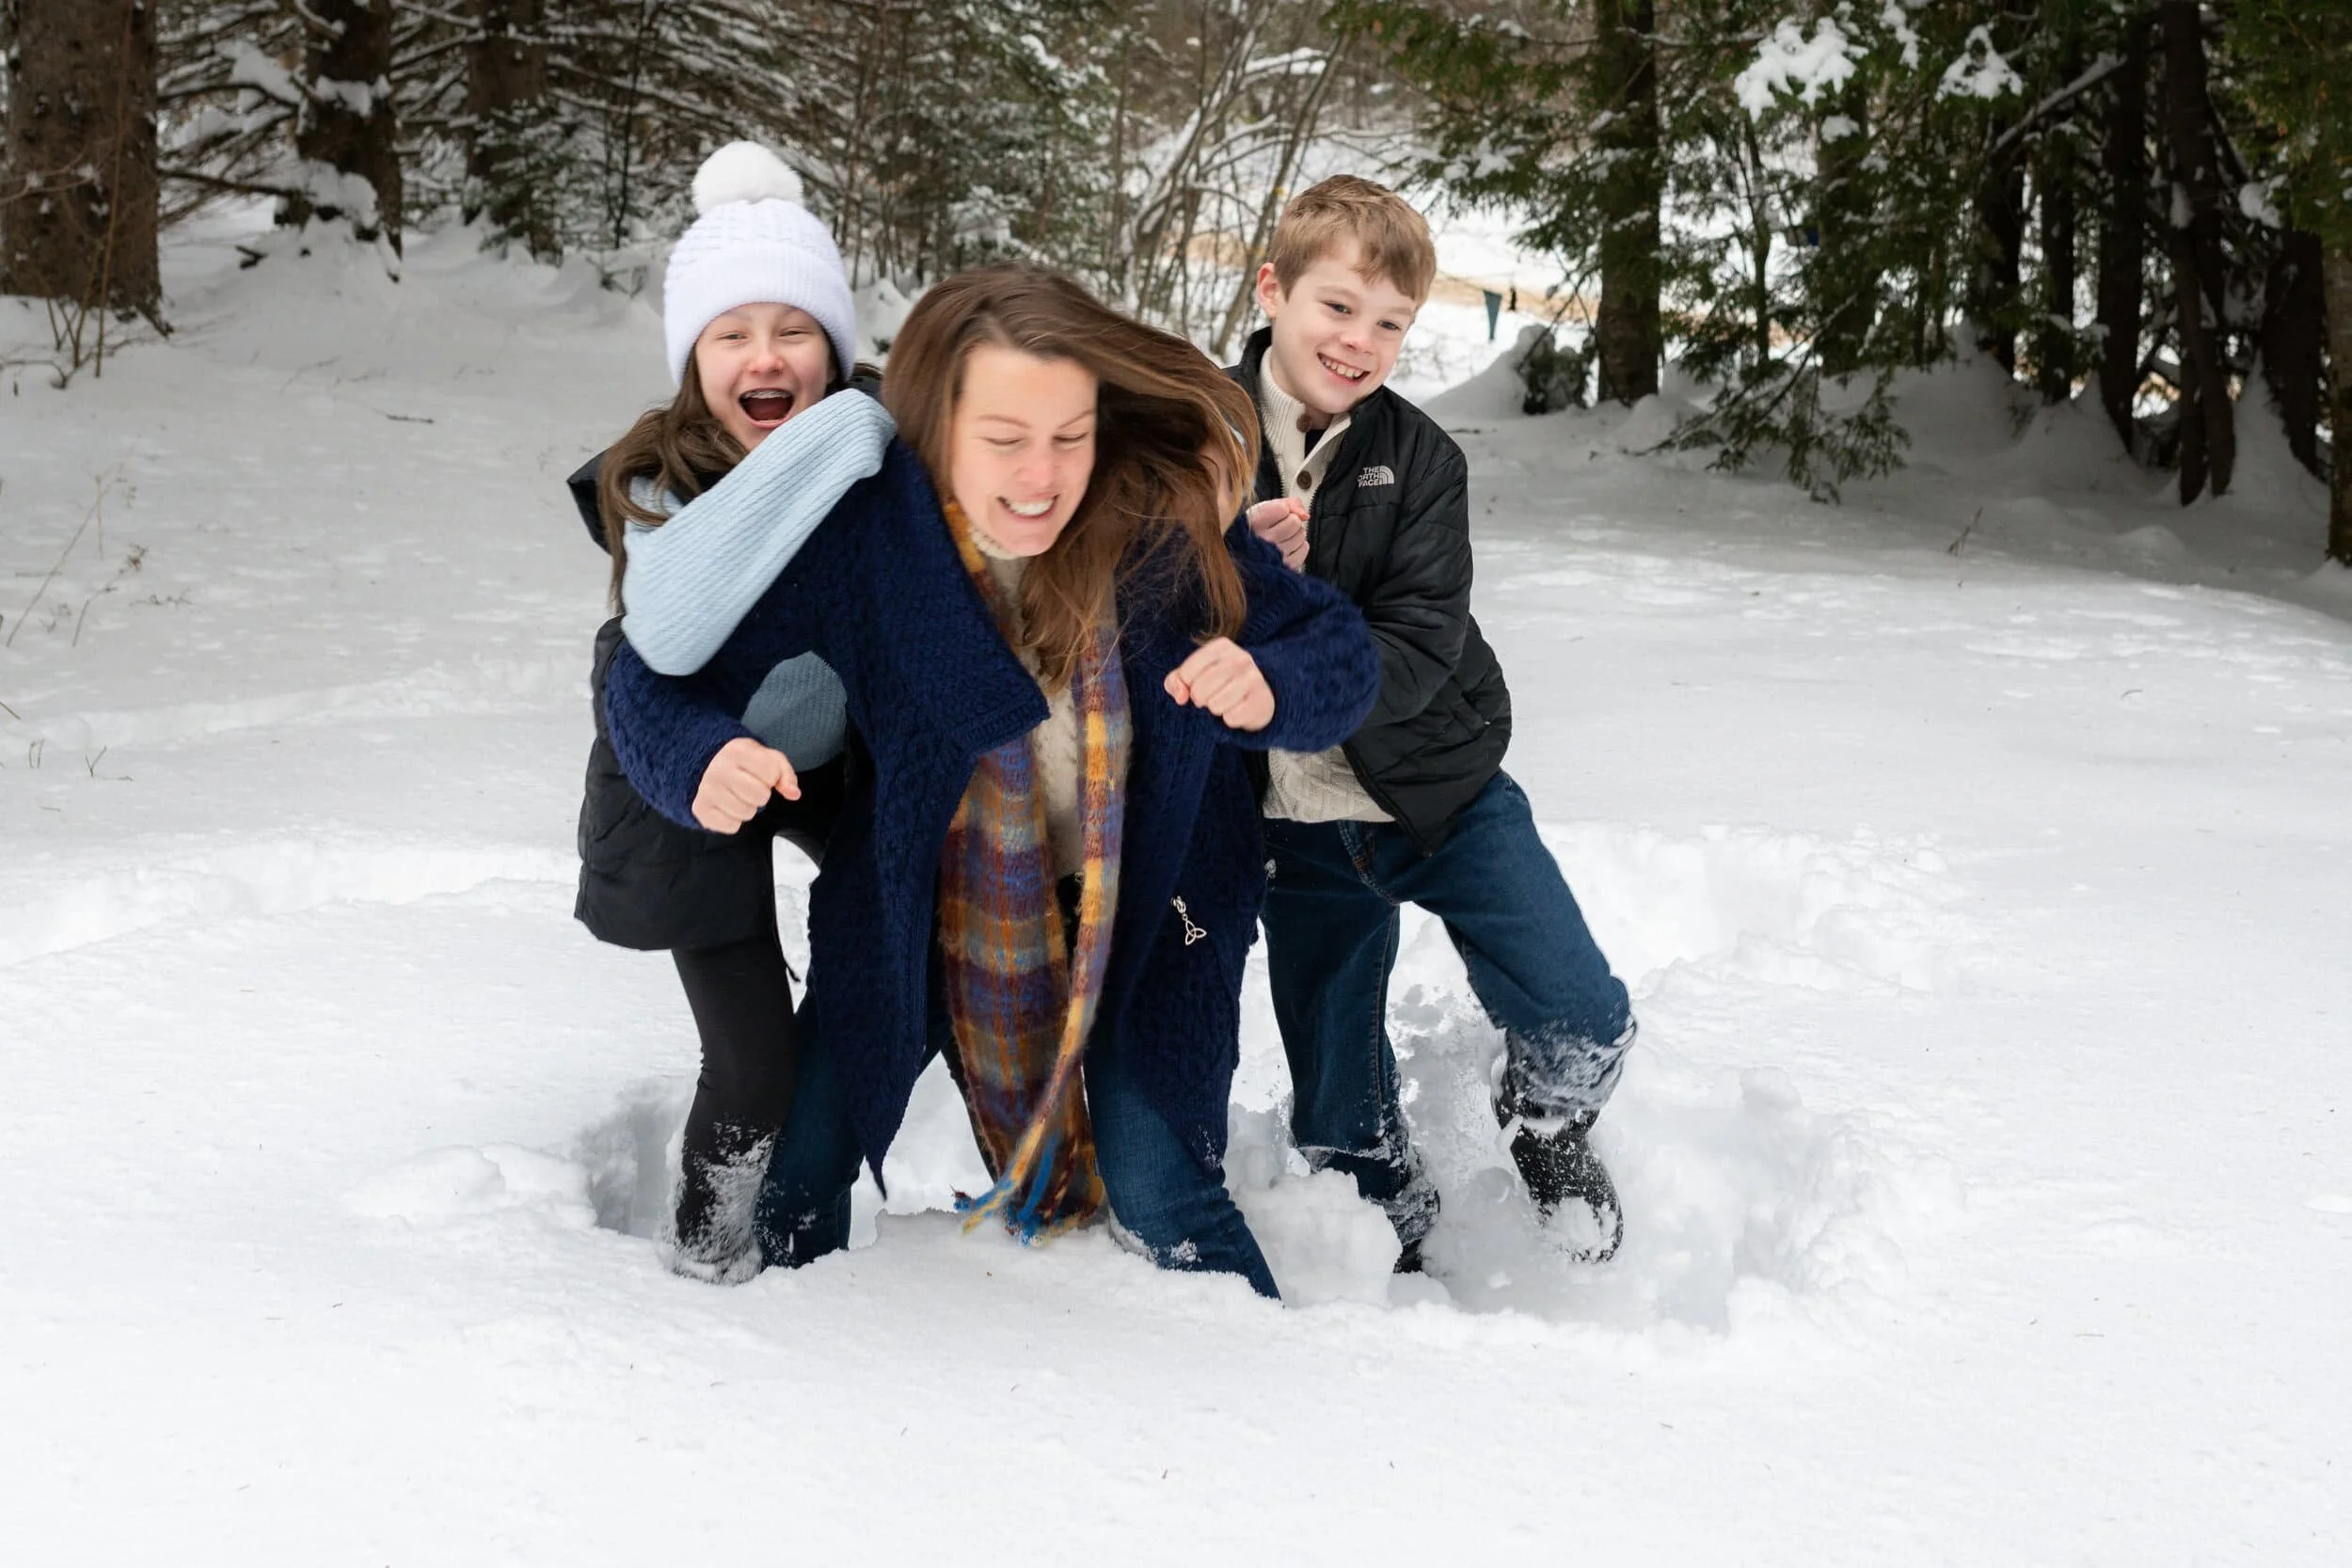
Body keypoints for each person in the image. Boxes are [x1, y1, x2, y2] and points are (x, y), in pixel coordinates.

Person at [601, 261, 1381, 1299]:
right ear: (933, 432)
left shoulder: (1161, 516)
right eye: (1003, 440)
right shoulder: (875, 537)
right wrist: (698, 754)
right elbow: (645, 673)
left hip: (1158, 907)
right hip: (931, 903)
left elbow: (1337, 648)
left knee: (1160, 1190)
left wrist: (1269, 678)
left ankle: (1249, 1416)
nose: (1039, 476)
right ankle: (778, 1391)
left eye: (1069, 435)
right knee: (798, 1171)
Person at [1231, 176, 1637, 1266]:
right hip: (1290, 824)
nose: (1358, 340)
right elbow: (1146, 604)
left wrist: (1306, 611)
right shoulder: (1199, 438)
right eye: (1335, 306)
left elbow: (1417, 645)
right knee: (1336, 1110)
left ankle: (1545, 1122)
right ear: (1271, 287)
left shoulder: (1419, 464)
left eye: (1389, 323)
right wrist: (1235, 570)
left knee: (1580, 1008)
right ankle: (1390, 1253)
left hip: (1433, 786)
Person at [567, 140, 890, 1282]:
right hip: (687, 775)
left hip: (827, 761)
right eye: (732, 333)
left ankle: (827, 1183)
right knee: (753, 1060)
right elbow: (657, 656)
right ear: (693, 360)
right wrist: (708, 758)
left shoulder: (886, 459)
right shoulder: (657, 482)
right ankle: (706, 1253)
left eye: (794, 329)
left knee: (893, 962)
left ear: (835, 348)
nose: (766, 355)